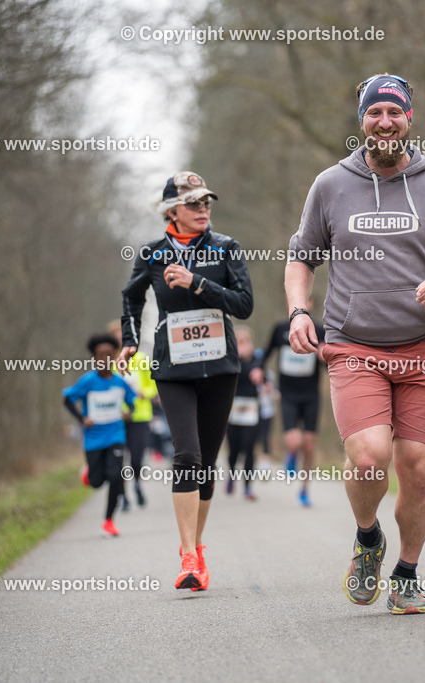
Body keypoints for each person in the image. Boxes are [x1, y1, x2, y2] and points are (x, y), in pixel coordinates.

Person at [285, 74, 425, 614]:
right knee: (371, 458)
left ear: (408, 119)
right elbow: (302, 255)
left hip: (424, 347)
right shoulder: (330, 185)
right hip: (354, 345)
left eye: (393, 112)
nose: (384, 122)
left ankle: (407, 572)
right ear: (361, 121)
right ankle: (369, 537)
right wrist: (299, 311)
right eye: (374, 112)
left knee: (419, 467)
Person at [119, 171, 253, 591]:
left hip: (219, 367)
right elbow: (131, 296)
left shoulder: (225, 248)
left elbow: (244, 305)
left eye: (206, 202)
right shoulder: (153, 253)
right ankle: (188, 555)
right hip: (173, 369)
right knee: (187, 455)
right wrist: (128, 340)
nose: (203, 210)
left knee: (207, 464)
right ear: (171, 211)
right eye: (193, 203)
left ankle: (198, 547)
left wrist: (198, 282)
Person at [62, 334, 137, 537]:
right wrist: (82, 418)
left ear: (114, 357)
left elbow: (133, 402)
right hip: (94, 439)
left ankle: (109, 520)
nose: (104, 359)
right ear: (94, 358)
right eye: (100, 355)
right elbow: (67, 399)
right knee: (96, 482)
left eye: (108, 355)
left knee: (116, 475)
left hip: (115, 435)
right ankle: (88, 472)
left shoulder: (120, 382)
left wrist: (128, 412)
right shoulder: (87, 381)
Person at [262, 298, 326, 507]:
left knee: (309, 446)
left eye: (308, 300)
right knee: (293, 441)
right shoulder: (280, 328)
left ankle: (304, 490)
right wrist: (262, 377)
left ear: (312, 303)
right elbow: (266, 354)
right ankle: (291, 454)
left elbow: (328, 363)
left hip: (311, 395)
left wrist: (324, 357)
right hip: (287, 394)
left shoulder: (319, 330)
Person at [108, 319, 157, 509]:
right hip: (116, 417)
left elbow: (154, 385)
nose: (120, 338)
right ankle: (122, 495)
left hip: (140, 415)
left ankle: (137, 484)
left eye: (122, 333)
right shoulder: (109, 362)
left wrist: (145, 394)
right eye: (116, 335)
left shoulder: (142, 359)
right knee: (119, 458)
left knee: (136, 457)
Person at [225, 325, 264, 500]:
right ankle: (232, 475)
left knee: (249, 447)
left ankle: (248, 486)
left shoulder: (257, 359)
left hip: (252, 409)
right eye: (239, 342)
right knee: (234, 448)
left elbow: (262, 376)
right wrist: (240, 358)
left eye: (245, 342)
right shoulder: (230, 359)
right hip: (233, 408)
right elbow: (235, 374)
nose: (243, 345)